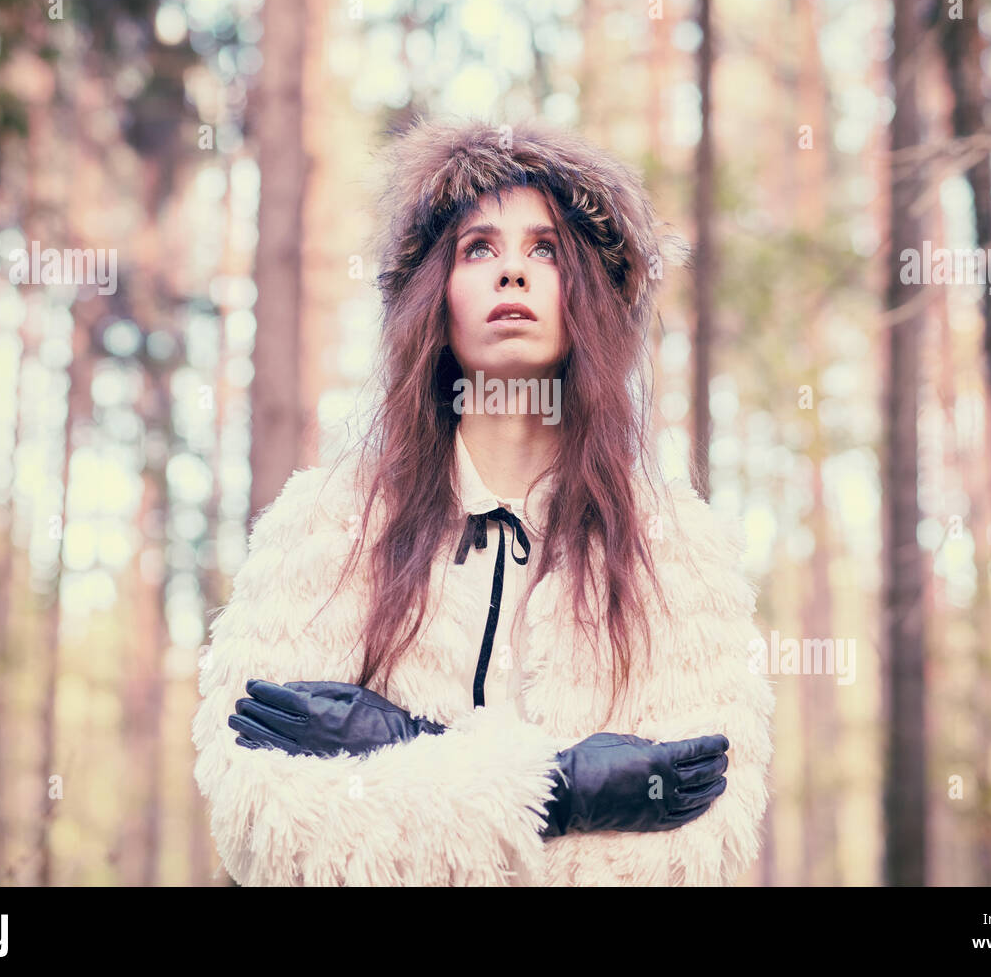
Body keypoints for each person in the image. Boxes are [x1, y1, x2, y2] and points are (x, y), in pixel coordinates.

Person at [191, 116, 775, 886]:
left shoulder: (678, 549)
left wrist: (397, 751)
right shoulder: (326, 525)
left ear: (589, 298)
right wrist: (562, 791)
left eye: (545, 249)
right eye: (478, 248)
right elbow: (261, 816)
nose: (512, 272)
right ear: (437, 295)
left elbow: (701, 842)